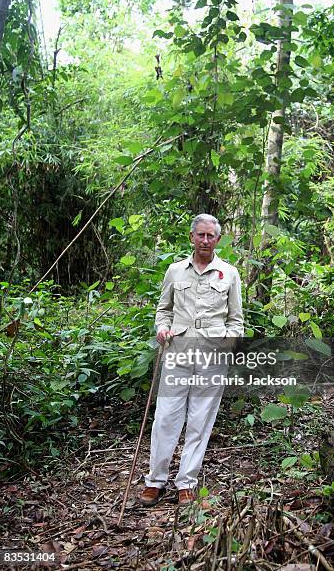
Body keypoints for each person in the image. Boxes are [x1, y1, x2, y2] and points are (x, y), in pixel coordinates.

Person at [139, 213, 244, 507]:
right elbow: (163, 311)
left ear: (218, 240)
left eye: (211, 236)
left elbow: (236, 320)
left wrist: (229, 343)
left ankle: (186, 482)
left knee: (200, 420)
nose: (206, 241)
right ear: (192, 237)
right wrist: (161, 329)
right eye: (201, 235)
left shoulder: (229, 274)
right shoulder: (175, 271)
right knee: (165, 417)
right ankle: (155, 481)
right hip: (178, 352)